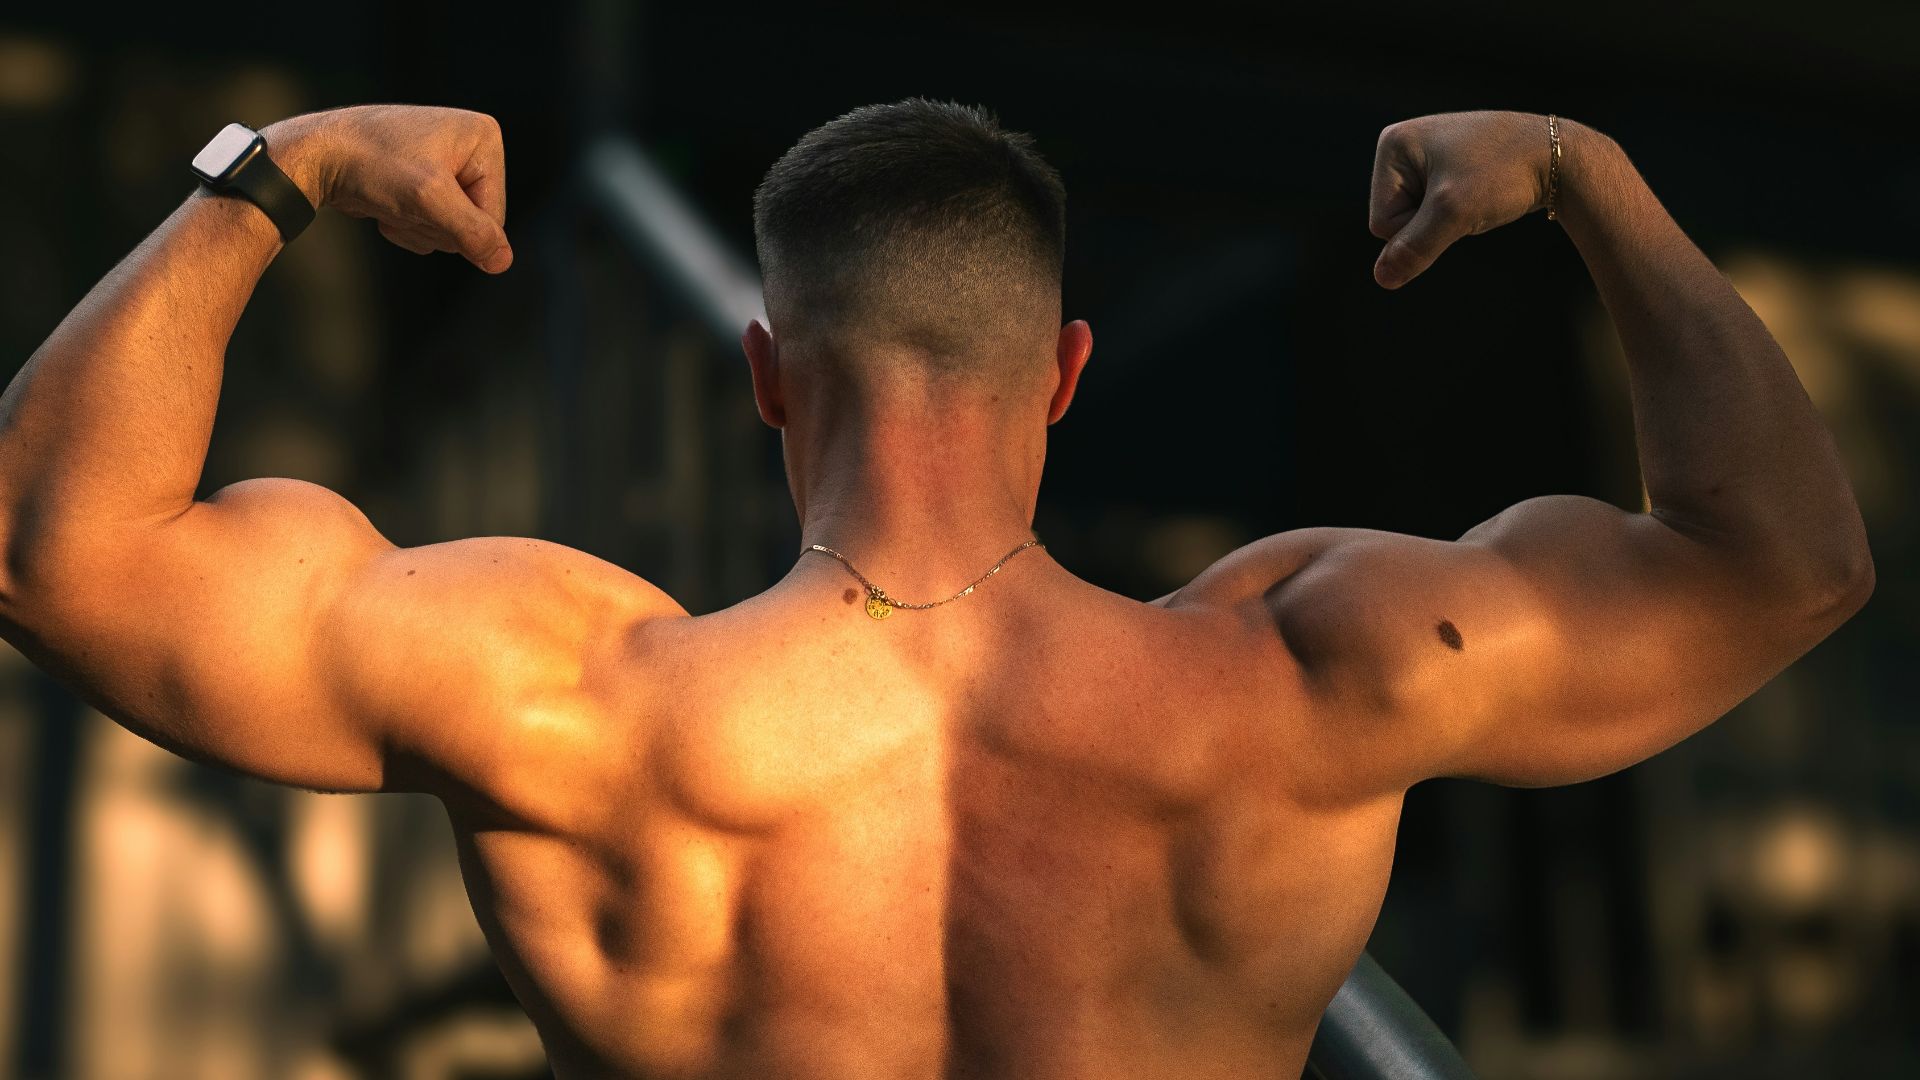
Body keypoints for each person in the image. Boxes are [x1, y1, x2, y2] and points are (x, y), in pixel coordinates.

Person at [0, 100, 1872, 1079]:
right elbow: (1783, 562)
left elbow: (52, 549)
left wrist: (283, 171)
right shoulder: (1310, 681)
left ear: (764, 374)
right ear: (1064, 373)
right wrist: (1582, 174)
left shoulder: (573, 702)